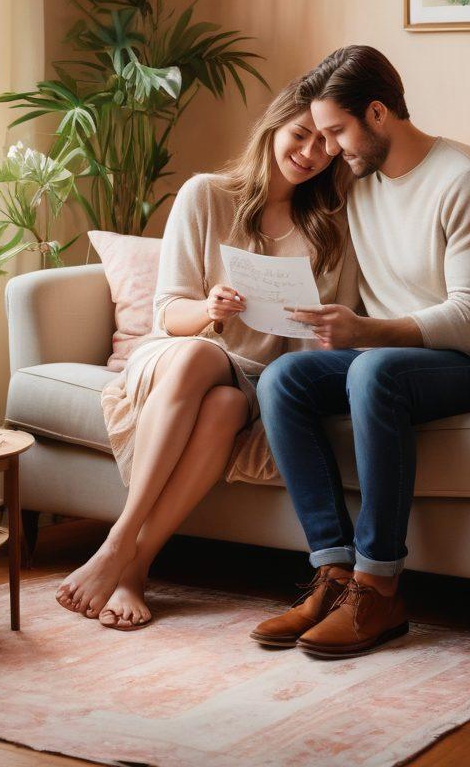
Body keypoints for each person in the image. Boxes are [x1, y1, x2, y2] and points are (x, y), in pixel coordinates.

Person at [251, 45, 470, 658]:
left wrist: (364, 333)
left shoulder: (468, 179)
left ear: (377, 114)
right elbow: (277, 192)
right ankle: (336, 574)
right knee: (283, 379)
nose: (328, 149)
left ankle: (381, 587)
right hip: (390, 362)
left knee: (373, 368)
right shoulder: (357, 182)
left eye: (336, 132)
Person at [56, 82, 358, 629]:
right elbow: (167, 313)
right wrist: (210, 309)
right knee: (198, 358)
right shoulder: (205, 194)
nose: (311, 154)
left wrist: (324, 333)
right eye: (299, 135)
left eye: (325, 146)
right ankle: (121, 546)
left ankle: (132, 564)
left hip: (250, 377)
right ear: (273, 130)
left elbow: (333, 328)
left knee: (221, 407)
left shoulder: (330, 226)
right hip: (175, 352)